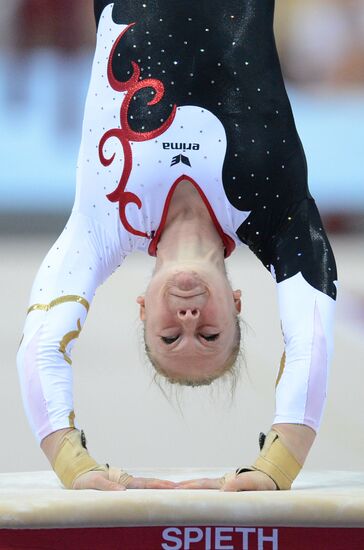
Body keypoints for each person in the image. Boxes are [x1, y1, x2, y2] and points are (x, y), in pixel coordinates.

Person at [17, 0, 337, 492]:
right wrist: (279, 464)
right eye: (210, 336)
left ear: (142, 309)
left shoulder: (100, 224)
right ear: (235, 305)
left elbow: (42, 345)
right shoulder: (277, 217)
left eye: (169, 339)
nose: (189, 325)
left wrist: (73, 464)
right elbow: (311, 337)